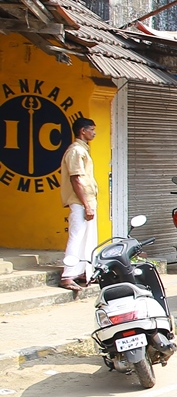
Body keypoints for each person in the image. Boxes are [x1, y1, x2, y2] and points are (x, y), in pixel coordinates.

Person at [58, 116, 99, 288]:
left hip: (87, 201)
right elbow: (76, 179)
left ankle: (84, 272)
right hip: (81, 202)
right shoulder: (76, 151)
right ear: (83, 131)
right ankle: (67, 276)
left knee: (88, 239)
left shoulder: (83, 150)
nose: (94, 133)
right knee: (77, 237)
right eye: (92, 129)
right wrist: (86, 205)